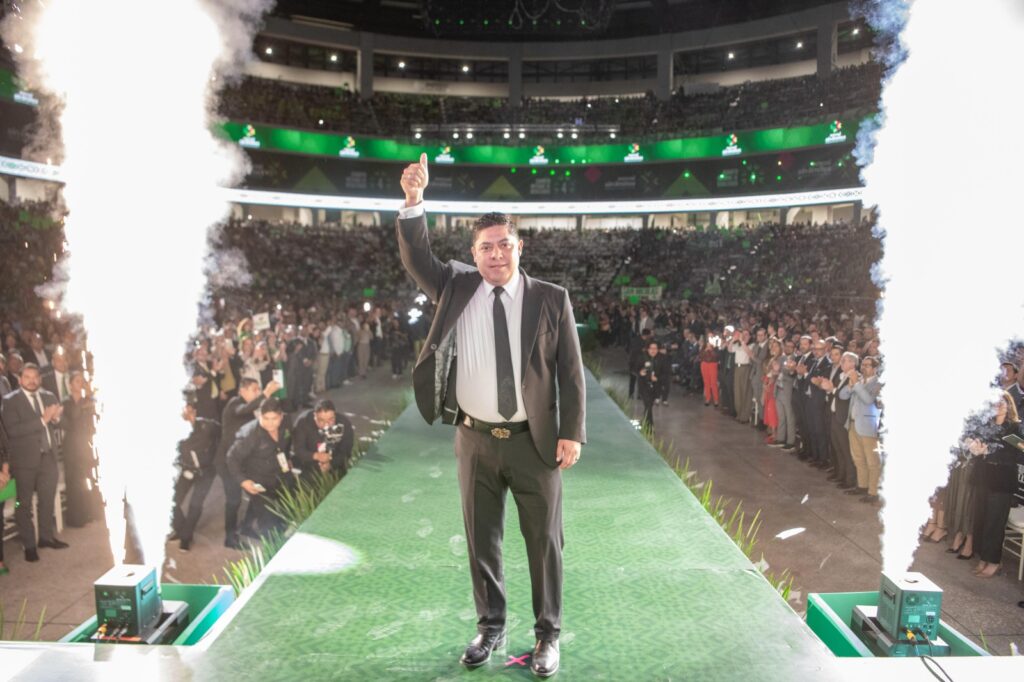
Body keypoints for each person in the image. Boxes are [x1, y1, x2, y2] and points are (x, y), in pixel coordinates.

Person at [398, 153, 585, 678]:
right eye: (486, 246)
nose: (496, 253)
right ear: (473, 253)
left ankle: (548, 635)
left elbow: (571, 372)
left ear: (520, 247)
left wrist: (571, 433)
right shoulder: (455, 287)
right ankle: (491, 626)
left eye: (504, 244)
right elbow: (416, 258)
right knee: (482, 539)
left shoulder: (552, 299)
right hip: (475, 439)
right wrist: (414, 201)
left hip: (534, 442)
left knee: (544, 543)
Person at [0, 363, 68, 562]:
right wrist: (42, 420)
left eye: (35, 377)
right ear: (20, 379)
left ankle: (46, 538)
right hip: (23, 463)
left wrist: (56, 419)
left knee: (47, 500)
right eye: (27, 377)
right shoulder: (10, 401)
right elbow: (12, 431)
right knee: (23, 504)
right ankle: (29, 545)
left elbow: (62, 423)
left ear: (40, 378)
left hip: (48, 458)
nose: (32, 381)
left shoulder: (49, 396)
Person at [216, 377, 278, 548]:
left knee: (256, 492)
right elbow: (243, 410)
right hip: (227, 462)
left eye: (259, 389)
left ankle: (246, 527)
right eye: (254, 389)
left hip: (243, 460)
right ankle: (230, 538)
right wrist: (266, 393)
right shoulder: (234, 403)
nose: (257, 393)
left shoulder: (250, 408)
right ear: (242, 390)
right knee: (234, 500)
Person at [971, 392, 1024, 578]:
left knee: (994, 523)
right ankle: (983, 558)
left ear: (1009, 406)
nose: (999, 405)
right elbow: (975, 443)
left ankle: (994, 561)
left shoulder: (1015, 427)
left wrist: (991, 452)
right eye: (996, 402)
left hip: (1002, 481)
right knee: (981, 519)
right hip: (984, 476)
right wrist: (975, 449)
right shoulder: (988, 425)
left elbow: (1019, 452)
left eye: (1002, 403)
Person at [227, 397, 294, 536]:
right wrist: (243, 481)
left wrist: (287, 458)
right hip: (258, 482)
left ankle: (246, 527)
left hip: (279, 475)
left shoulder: (287, 422)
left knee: (285, 511)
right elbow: (232, 458)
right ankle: (274, 544)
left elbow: (286, 443)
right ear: (259, 415)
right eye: (266, 418)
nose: (270, 423)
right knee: (270, 523)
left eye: (274, 418)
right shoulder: (249, 434)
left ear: (281, 416)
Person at [171, 394, 221, 551]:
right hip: (186, 470)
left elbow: (223, 435)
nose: (185, 414)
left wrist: (217, 458)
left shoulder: (208, 426)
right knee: (173, 501)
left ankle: (186, 538)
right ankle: (180, 529)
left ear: (193, 411)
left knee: (195, 504)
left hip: (206, 472)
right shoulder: (175, 430)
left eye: (188, 410)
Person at [61, 371, 101, 527]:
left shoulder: (88, 400)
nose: (81, 384)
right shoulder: (65, 402)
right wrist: (82, 404)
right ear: (70, 385)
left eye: (82, 381)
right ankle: (77, 518)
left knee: (90, 478)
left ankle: (92, 512)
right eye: (77, 381)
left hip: (87, 443)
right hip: (72, 444)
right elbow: (70, 420)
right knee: (74, 480)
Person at [841, 355, 882, 503]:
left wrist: (857, 384)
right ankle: (862, 485)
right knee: (858, 458)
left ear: (875, 368)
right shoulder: (859, 381)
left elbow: (868, 400)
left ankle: (873, 492)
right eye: (863, 365)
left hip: (868, 426)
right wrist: (851, 385)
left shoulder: (878, 383)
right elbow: (843, 395)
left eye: (868, 365)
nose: (863, 368)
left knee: (872, 461)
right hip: (853, 423)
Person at [291, 398, 354, 478]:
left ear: (335, 415)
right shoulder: (303, 422)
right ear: (315, 416)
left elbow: (346, 451)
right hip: (309, 465)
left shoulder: (343, 423)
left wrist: (331, 464)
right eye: (321, 420)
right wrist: (316, 456)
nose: (326, 425)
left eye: (331, 420)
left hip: (336, 463)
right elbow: (298, 450)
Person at [637, 341, 661, 430]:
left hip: (655, 387)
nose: (653, 350)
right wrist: (640, 372)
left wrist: (657, 378)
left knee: (649, 406)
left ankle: (645, 424)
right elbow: (634, 368)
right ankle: (650, 428)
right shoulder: (642, 357)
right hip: (644, 385)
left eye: (655, 348)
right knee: (648, 405)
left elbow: (666, 374)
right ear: (648, 349)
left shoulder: (662, 359)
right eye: (651, 348)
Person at [698, 335, 720, 407]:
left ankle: (716, 399)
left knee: (713, 382)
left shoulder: (716, 346)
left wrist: (711, 350)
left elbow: (717, 356)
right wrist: (705, 350)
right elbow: (700, 356)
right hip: (704, 364)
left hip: (713, 364)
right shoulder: (703, 347)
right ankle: (707, 398)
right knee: (706, 382)